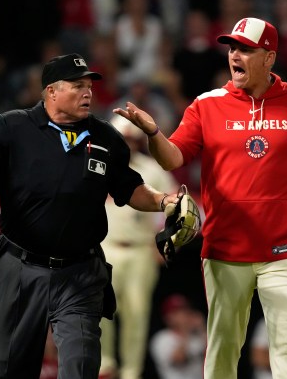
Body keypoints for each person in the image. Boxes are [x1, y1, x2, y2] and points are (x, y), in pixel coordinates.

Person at [114, 17, 287, 379]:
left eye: (245, 49)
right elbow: (173, 157)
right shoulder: (206, 105)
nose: (235, 55)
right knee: (224, 347)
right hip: (225, 250)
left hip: (285, 251)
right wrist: (153, 133)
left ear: (269, 57)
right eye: (232, 48)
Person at [0, 53, 180, 379]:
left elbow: (130, 189)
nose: (87, 93)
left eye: (89, 85)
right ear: (51, 91)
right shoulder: (12, 127)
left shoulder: (106, 137)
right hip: (21, 267)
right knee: (11, 370)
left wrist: (164, 200)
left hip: (80, 272)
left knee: (81, 368)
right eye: (77, 85)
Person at [99, 115, 178, 379]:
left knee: (137, 312)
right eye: (122, 138)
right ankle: (105, 366)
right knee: (99, 307)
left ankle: (131, 372)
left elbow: (176, 205)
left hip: (141, 249)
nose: (127, 144)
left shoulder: (152, 169)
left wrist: (164, 239)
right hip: (105, 246)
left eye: (131, 139)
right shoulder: (98, 164)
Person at [149, 294, 207, 379]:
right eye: (177, 312)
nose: (184, 315)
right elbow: (179, 359)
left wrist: (202, 327)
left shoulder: (196, 336)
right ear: (167, 318)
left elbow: (215, 353)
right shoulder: (162, 338)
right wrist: (186, 330)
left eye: (186, 310)